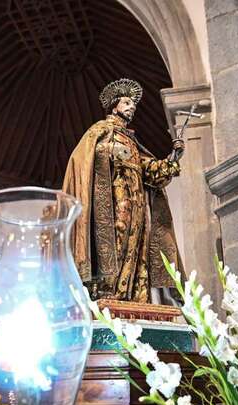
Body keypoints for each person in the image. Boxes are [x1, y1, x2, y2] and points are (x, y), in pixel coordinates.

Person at [62, 78, 184, 303]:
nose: (131, 107)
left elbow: (151, 171)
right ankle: (111, 293)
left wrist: (173, 157)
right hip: (113, 206)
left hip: (137, 209)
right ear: (114, 105)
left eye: (133, 104)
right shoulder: (100, 132)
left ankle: (132, 297)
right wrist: (115, 152)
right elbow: (85, 157)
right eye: (126, 102)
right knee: (117, 246)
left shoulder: (132, 141)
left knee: (137, 250)